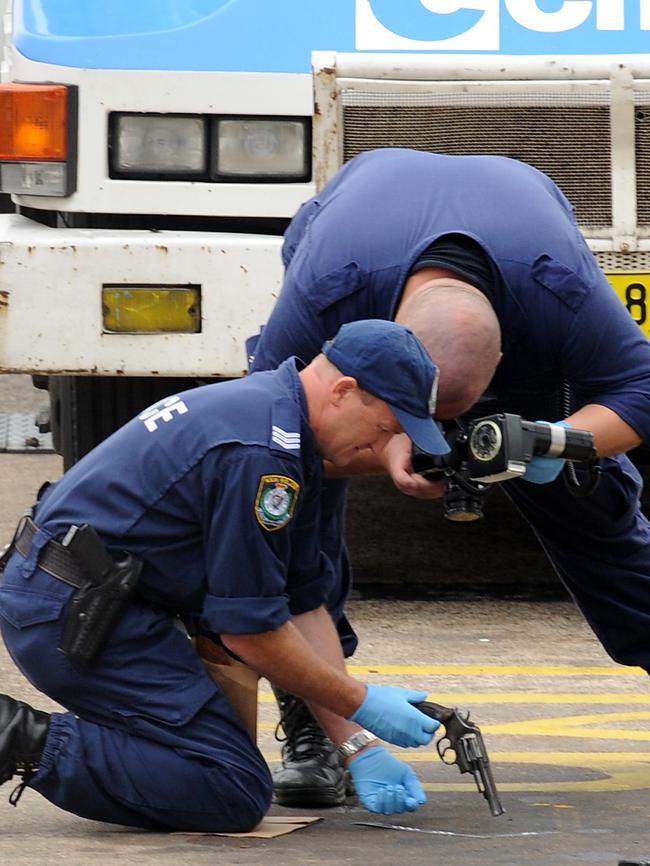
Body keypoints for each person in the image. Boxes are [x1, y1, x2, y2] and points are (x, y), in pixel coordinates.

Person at [249, 147, 650, 807]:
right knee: (292, 509)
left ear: (506, 361)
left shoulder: (557, 295)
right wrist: (380, 446)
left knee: (591, 497)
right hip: (355, 235)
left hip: (518, 245)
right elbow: (268, 431)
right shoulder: (330, 293)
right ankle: (313, 719)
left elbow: (637, 389)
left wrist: (552, 441)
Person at [0, 319, 449, 832]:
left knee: (212, 761)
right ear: (344, 391)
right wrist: (361, 701)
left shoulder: (282, 423)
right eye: (387, 428)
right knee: (228, 787)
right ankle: (16, 738)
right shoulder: (263, 457)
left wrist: (356, 744)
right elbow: (249, 630)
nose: (384, 447)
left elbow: (300, 604)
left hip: (90, 599)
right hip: (71, 614)